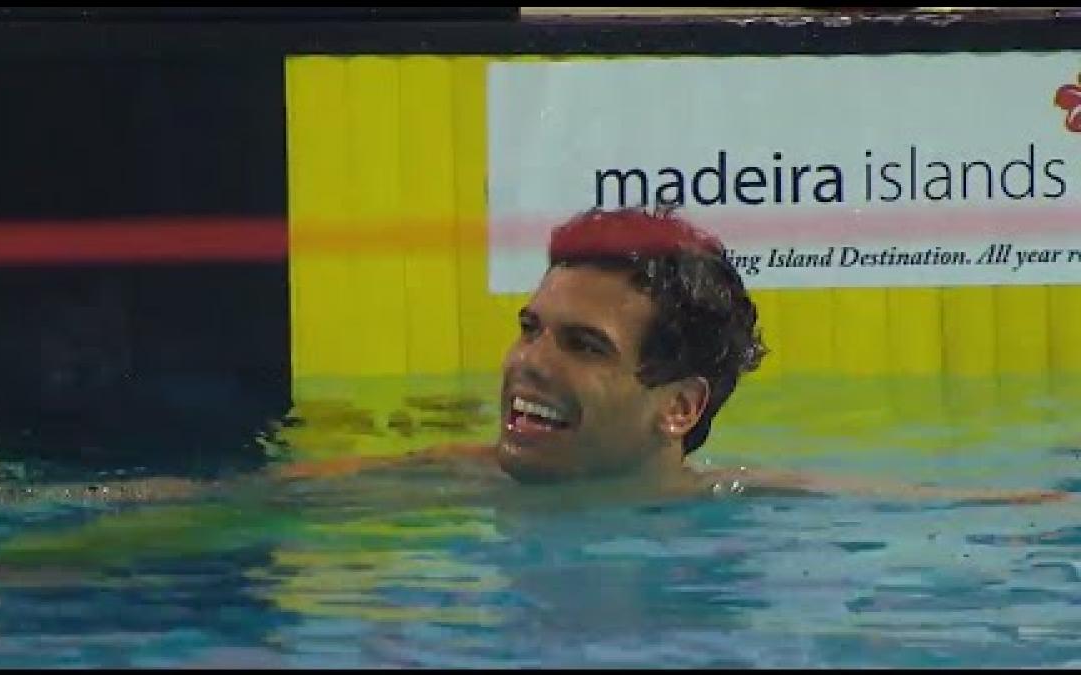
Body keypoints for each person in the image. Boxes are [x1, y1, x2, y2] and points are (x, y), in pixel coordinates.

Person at [278, 206, 1066, 505]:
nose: (528, 362)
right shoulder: (440, 480)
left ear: (680, 407)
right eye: (530, 327)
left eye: (584, 345)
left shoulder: (744, 510)